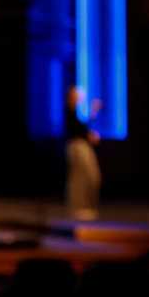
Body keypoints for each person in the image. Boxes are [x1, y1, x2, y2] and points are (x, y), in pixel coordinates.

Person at [65, 86, 103, 220]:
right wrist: (88, 135)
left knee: (91, 177)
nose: (80, 97)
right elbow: (77, 130)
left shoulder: (74, 112)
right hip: (77, 147)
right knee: (80, 178)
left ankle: (85, 207)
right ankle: (79, 209)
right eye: (77, 94)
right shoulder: (69, 110)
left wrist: (89, 134)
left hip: (82, 145)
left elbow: (81, 128)